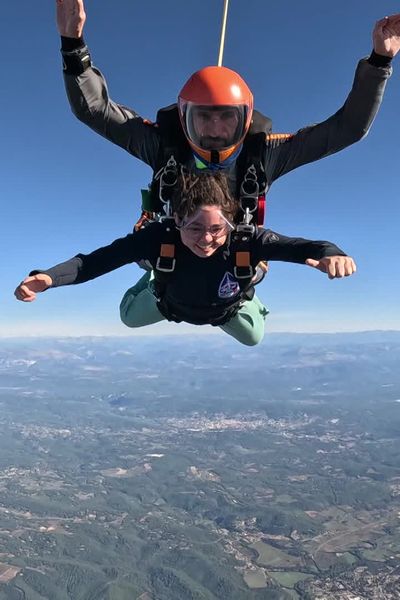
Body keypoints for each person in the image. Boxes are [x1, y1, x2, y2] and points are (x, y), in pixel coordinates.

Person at [15, 172, 356, 346]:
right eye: (194, 228)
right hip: (170, 303)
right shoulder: (157, 238)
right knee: (128, 318)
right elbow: (95, 262)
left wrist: (331, 254)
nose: (207, 239)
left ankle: (250, 282)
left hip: (224, 307)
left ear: (231, 222)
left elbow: (302, 246)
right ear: (176, 220)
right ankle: (150, 278)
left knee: (254, 338)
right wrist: (47, 278)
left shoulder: (246, 241)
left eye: (217, 229)